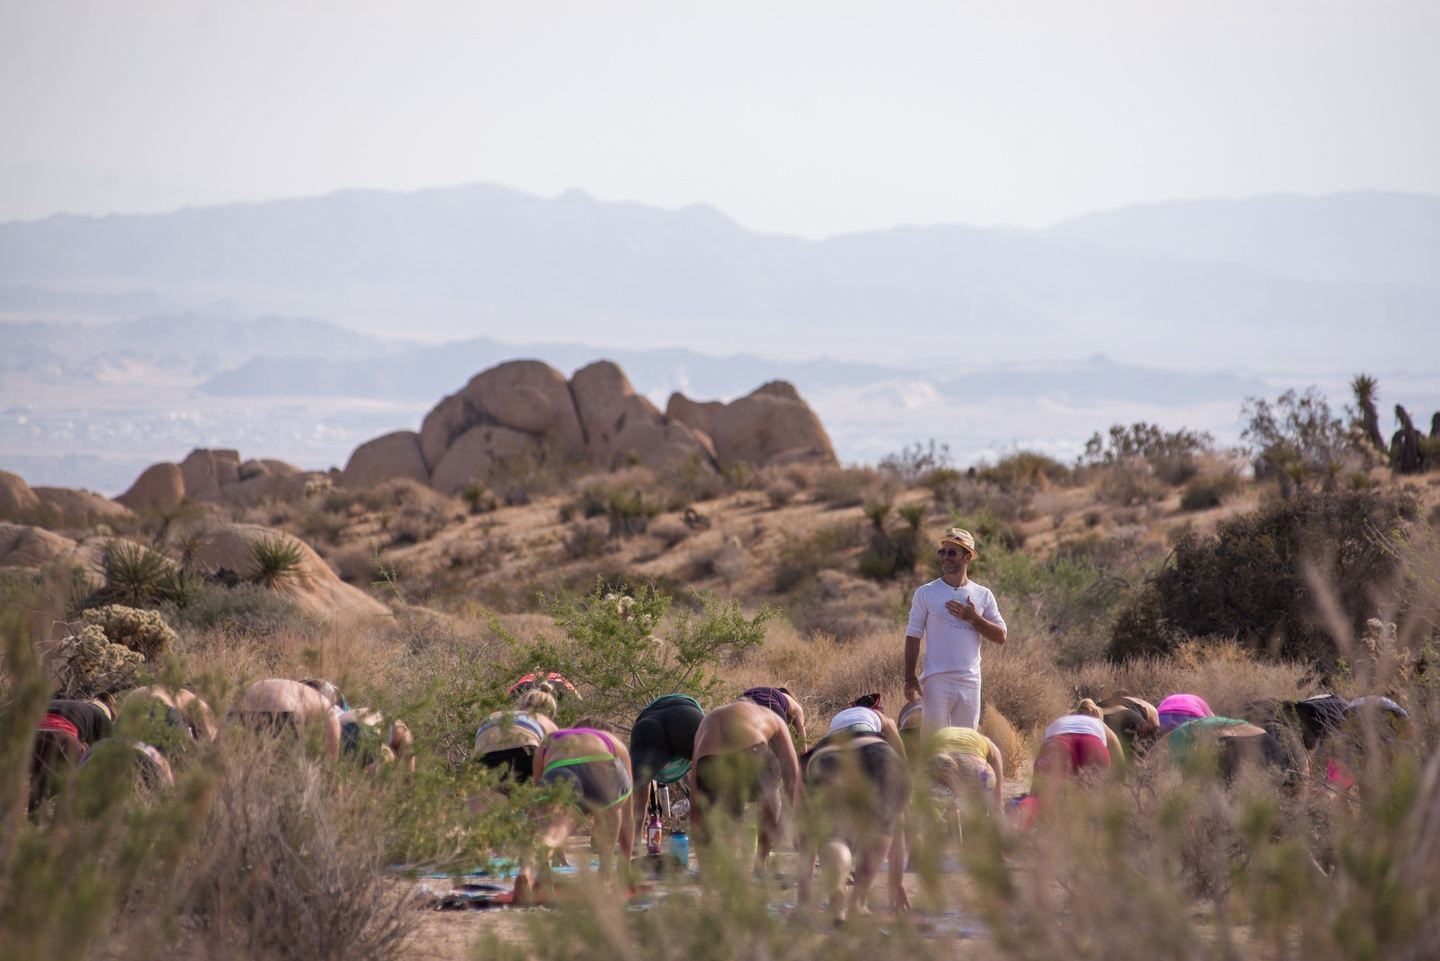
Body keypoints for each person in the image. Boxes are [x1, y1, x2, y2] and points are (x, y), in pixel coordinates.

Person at [796, 724, 911, 923]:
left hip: (827, 756)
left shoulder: (816, 750)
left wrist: (803, 900)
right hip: (879, 755)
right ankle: (857, 902)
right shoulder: (879, 724)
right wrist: (896, 883)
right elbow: (897, 826)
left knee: (834, 837)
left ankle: (836, 899)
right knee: (882, 827)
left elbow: (807, 835)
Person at [903, 528, 1007, 737]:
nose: (945, 557)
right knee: (933, 747)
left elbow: (1001, 636)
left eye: (952, 553)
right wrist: (909, 678)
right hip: (936, 681)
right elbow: (913, 635)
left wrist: (974, 618)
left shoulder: (983, 594)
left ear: (967, 557)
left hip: (970, 682)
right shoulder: (926, 592)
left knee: (967, 747)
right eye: (942, 552)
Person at [514, 724, 635, 903]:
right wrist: (625, 863)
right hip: (600, 768)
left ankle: (528, 871)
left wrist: (543, 874)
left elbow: (537, 812)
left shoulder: (549, 742)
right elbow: (628, 815)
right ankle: (605, 878)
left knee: (553, 833)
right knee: (613, 806)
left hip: (559, 771)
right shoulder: (611, 740)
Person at [688, 698, 802, 875]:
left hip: (709, 762)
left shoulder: (706, 722)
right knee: (771, 793)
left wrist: (703, 861)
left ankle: (716, 869)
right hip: (752, 753)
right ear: (753, 707)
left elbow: (696, 795)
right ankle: (761, 863)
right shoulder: (771, 717)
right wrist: (783, 823)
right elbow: (793, 777)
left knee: (725, 815)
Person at [628, 692, 705, 843]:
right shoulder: (686, 709)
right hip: (687, 718)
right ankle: (702, 839)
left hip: (647, 726)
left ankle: (634, 837)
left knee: (634, 786)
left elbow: (638, 790)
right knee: (705, 781)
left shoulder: (650, 712)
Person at [1031, 700, 1123, 800]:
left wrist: (1034, 794)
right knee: (1095, 802)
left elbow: (1041, 752)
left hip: (1058, 743)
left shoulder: (1061, 721)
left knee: (1040, 800)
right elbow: (1120, 762)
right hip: (1092, 744)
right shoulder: (1099, 723)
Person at [231, 678, 342, 759]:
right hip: (281, 712)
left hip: (235, 711)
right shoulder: (326, 705)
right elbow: (330, 762)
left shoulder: (288, 688)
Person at [473, 687, 559, 783]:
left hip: (483, 759)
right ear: (549, 711)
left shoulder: (495, 715)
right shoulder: (543, 719)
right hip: (522, 753)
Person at [927, 725, 1005, 816]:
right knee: (979, 807)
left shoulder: (938, 735)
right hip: (974, 764)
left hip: (942, 760)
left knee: (934, 802)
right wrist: (998, 807)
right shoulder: (984, 741)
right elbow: (997, 760)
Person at [740, 686, 806, 747]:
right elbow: (802, 741)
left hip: (741, 703)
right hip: (770, 703)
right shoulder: (796, 707)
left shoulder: (772, 692)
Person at [1099, 693, 1160, 759]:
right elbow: (1156, 727)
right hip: (1128, 716)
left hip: (1102, 720)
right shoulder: (1149, 707)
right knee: (1151, 755)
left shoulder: (1106, 702)